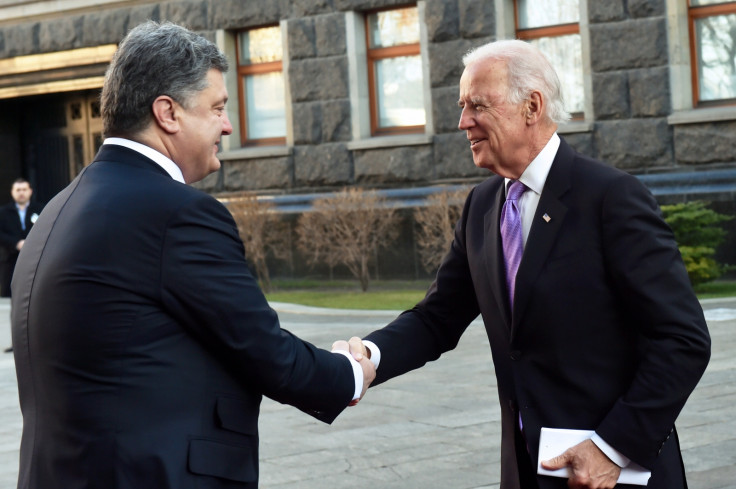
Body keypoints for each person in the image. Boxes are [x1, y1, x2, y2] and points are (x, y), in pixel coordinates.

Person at [11, 21, 374, 489]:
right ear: (168, 113)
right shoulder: (177, 213)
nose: (226, 125)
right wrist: (349, 373)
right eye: (217, 108)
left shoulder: (61, 206)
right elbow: (266, 352)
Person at [342, 40, 711, 489]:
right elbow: (437, 318)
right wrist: (370, 357)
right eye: (462, 106)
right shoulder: (481, 206)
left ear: (531, 106)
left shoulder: (610, 198)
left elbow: (683, 339)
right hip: (526, 472)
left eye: (477, 105)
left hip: (613, 473)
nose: (463, 122)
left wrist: (613, 447)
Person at [0, 178, 43, 353]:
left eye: (24, 189)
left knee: (38, 299)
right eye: (18, 190)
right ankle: (18, 342)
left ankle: (38, 341)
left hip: (36, 260)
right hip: (11, 261)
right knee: (16, 303)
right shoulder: (3, 212)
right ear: (12, 192)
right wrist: (16, 243)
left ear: (30, 191)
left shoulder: (40, 209)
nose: (21, 193)